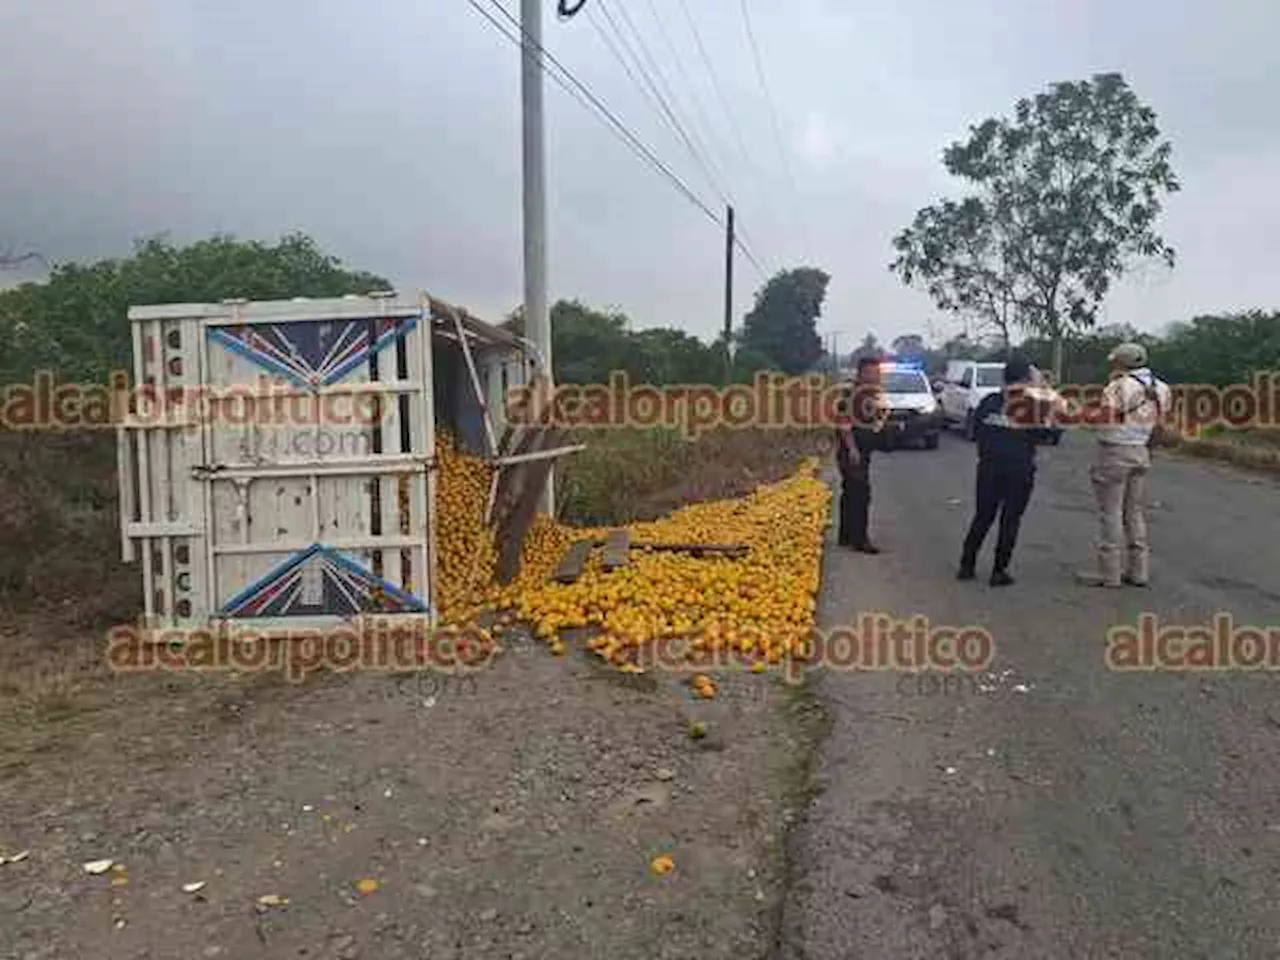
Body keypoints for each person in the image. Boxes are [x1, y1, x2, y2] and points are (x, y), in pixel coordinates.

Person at [1076, 342, 1172, 588]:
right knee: (1134, 512)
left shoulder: (1118, 386)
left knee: (1110, 513)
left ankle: (1109, 574)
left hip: (1114, 452)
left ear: (1122, 363)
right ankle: (1139, 571)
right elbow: (1161, 426)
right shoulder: (1162, 389)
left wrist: (1082, 415)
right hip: (1141, 451)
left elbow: (1106, 417)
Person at [957, 355, 1059, 586]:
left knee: (983, 516)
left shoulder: (988, 401)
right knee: (1010, 520)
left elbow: (977, 432)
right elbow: (1047, 435)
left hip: (989, 467)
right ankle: (998, 571)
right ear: (1026, 378)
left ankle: (967, 565)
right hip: (1019, 470)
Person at [835, 356, 886, 554]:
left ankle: (845, 534)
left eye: (878, 373)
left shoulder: (870, 394)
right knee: (861, 494)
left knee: (849, 491)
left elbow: (874, 419)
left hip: (862, 450)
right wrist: (852, 449)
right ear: (861, 373)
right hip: (851, 451)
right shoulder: (851, 394)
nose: (876, 377)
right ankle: (860, 539)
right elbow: (844, 423)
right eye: (872, 373)